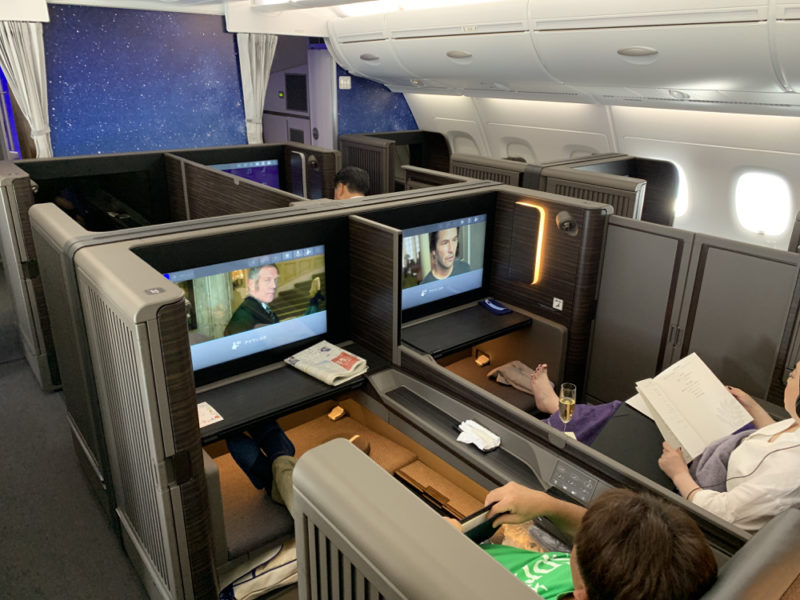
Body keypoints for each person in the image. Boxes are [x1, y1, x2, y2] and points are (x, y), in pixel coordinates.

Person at [529, 362, 800, 532]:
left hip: (703, 484)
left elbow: (724, 513)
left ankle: (555, 409)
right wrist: (752, 408)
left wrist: (679, 474)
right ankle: (556, 408)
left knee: (625, 419)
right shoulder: (796, 427)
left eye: (795, 375)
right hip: (729, 452)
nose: (789, 377)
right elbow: (775, 438)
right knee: (636, 408)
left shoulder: (790, 469)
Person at [481, 483, 717, 600]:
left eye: (578, 546)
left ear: (580, 594)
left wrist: (445, 547)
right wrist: (549, 505)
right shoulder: (626, 577)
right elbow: (601, 531)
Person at [224, 264, 280, 336]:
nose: (274, 286)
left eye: (275, 280)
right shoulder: (243, 317)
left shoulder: (261, 307)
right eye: (267, 280)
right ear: (251, 284)